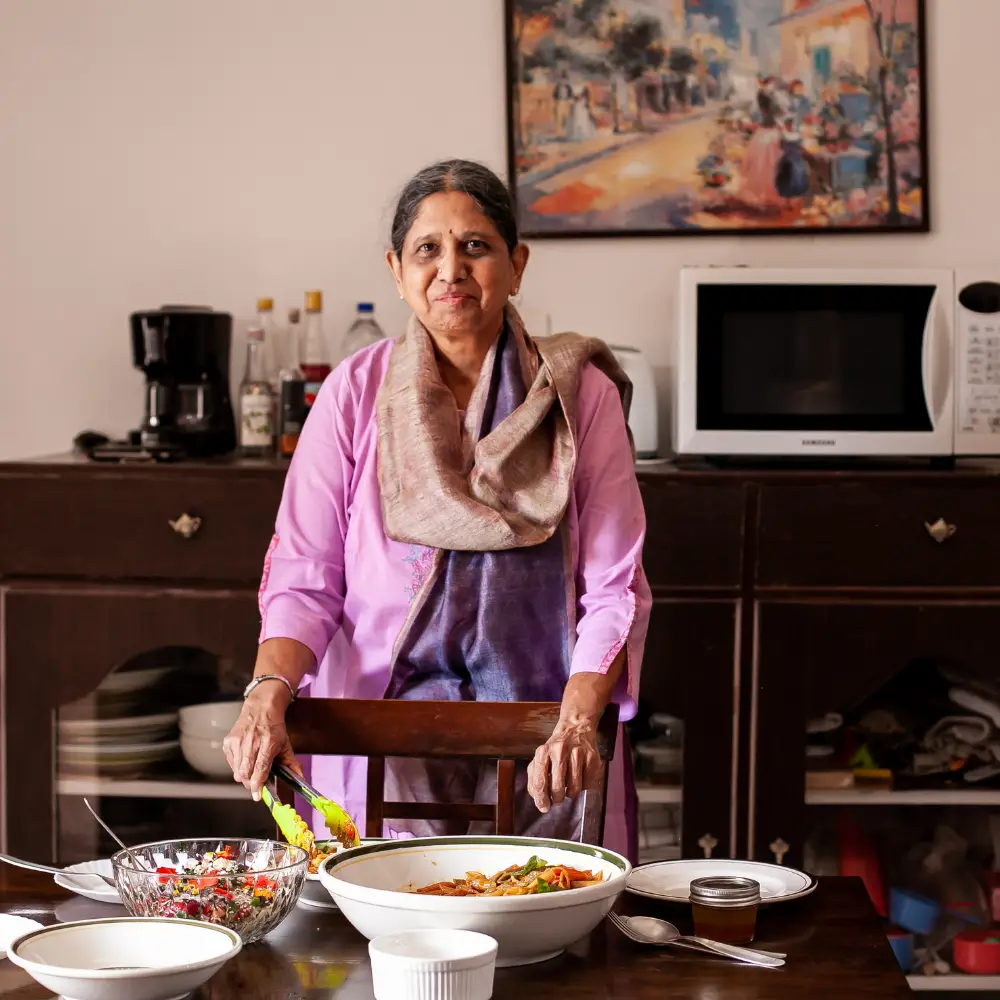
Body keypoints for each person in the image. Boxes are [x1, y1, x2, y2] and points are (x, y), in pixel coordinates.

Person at [223, 160, 651, 861]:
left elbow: (613, 588)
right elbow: (305, 574)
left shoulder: (580, 397)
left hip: (545, 746)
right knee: (371, 952)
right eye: (428, 249)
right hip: (376, 741)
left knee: (549, 949)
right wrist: (267, 691)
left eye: (476, 246)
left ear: (516, 264)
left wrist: (577, 722)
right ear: (397, 269)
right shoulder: (352, 395)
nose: (451, 269)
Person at [553, 71, 573, 139]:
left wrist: (569, 102)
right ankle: (559, 133)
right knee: (559, 118)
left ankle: (566, 132)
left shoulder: (569, 87)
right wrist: (556, 101)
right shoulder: (557, 87)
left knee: (566, 117)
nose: (563, 81)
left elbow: (571, 95)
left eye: (565, 79)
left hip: (566, 102)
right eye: (562, 79)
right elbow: (554, 95)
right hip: (559, 102)